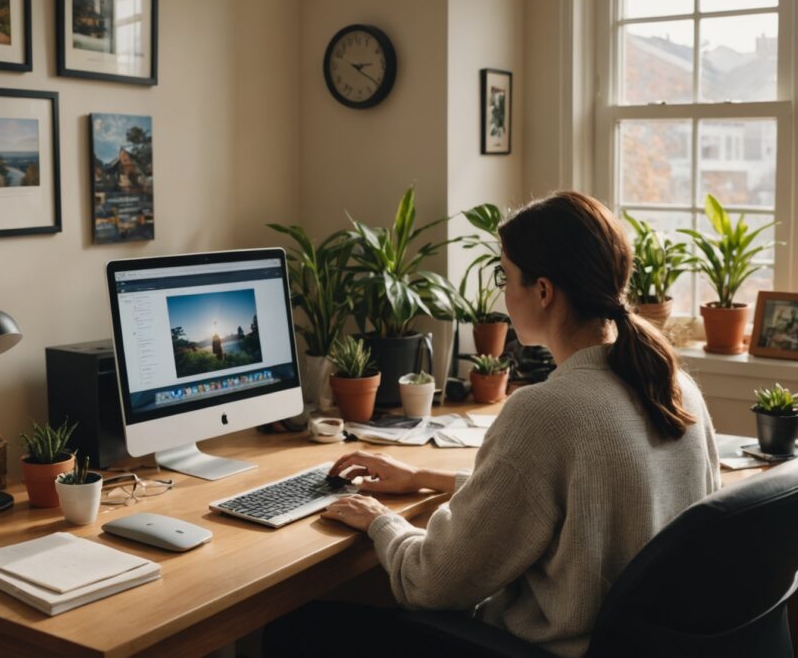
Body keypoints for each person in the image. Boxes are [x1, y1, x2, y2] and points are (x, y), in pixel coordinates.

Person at [263, 191, 721, 658]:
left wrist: (382, 524)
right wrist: (424, 478)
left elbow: (430, 582)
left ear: (543, 291)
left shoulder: (546, 412)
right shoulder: (675, 386)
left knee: (293, 627)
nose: (503, 295)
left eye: (506, 278)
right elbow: (568, 504)